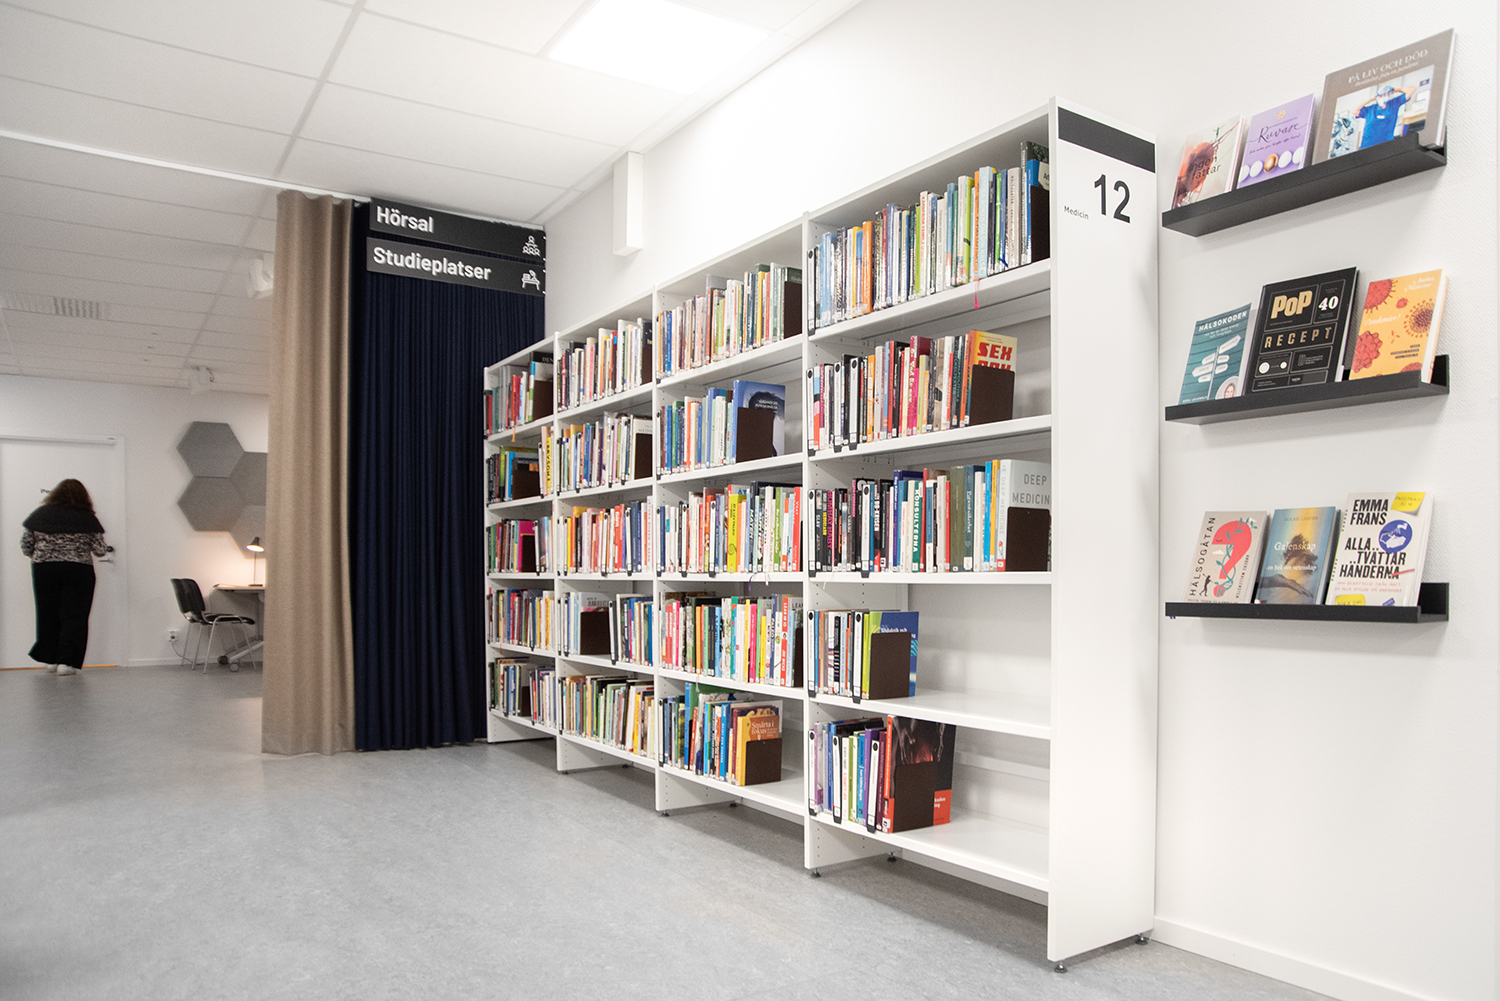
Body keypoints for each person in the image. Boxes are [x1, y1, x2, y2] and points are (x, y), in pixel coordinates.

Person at [21, 479, 107, 676]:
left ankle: (50, 659)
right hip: (78, 569)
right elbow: (100, 549)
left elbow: (26, 546)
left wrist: (44, 554)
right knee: (74, 615)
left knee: (47, 612)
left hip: (44, 569)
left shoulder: (40, 515)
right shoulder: (86, 518)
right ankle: (66, 663)